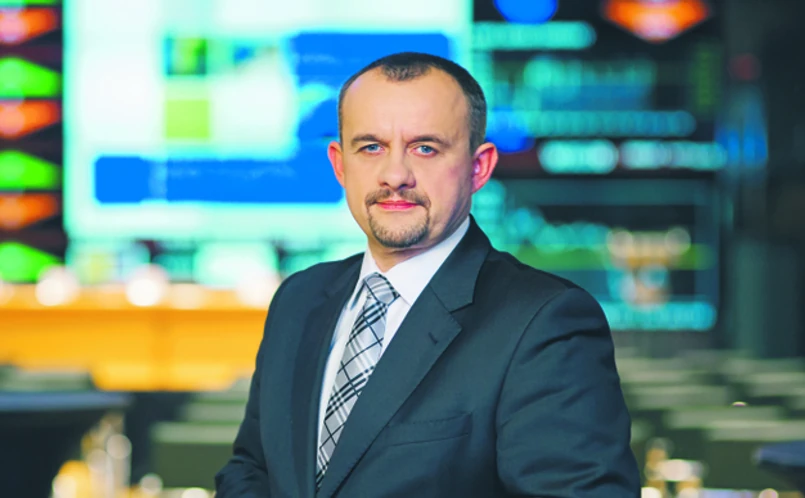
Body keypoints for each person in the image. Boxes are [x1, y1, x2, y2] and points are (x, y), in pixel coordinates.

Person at [215, 51, 640, 497]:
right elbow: (252, 468)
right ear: (340, 165)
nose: (395, 175)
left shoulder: (545, 323)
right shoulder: (298, 299)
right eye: (371, 147)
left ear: (479, 168)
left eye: (425, 148)